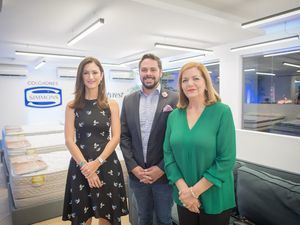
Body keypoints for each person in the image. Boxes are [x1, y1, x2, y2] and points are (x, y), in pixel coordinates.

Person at [163, 62, 236, 225]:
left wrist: (193, 193)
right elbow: (168, 156)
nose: (190, 84)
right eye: (184, 80)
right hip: (183, 195)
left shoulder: (222, 112)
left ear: (205, 82)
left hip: (215, 196)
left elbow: (226, 159)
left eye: (196, 78)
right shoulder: (174, 116)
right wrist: (184, 190)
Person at [62, 57, 128, 225]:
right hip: (80, 166)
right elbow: (69, 140)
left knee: (107, 216)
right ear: (81, 76)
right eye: (86, 73)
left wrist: (97, 163)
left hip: (107, 165)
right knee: (83, 218)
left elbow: (115, 138)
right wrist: (86, 168)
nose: (90, 76)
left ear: (101, 75)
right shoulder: (72, 106)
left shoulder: (111, 105)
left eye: (94, 72)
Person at [120, 53, 178, 225]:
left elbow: (176, 140)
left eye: (153, 69)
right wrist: (134, 167)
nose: (148, 73)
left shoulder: (175, 99)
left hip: (164, 176)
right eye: (144, 69)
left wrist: (161, 168)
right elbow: (124, 136)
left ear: (160, 72)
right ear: (139, 73)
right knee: (143, 218)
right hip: (138, 176)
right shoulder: (129, 100)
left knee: (164, 219)